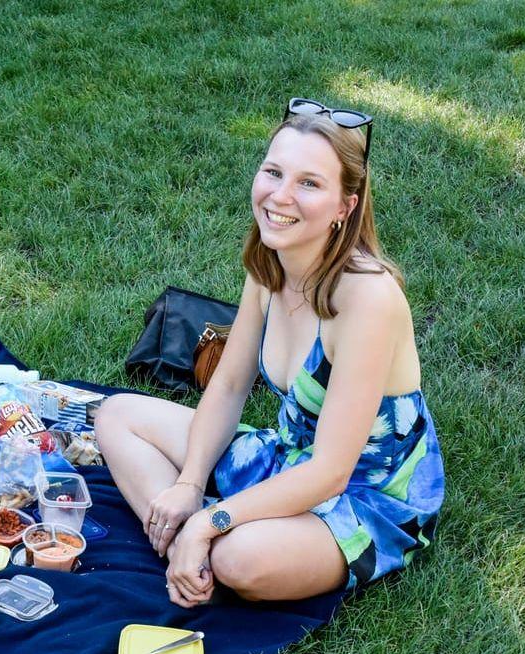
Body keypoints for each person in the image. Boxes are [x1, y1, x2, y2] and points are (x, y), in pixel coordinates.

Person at [96, 98, 445, 608]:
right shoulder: (270, 262)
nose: (280, 196)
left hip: (366, 494)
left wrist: (211, 521)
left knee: (240, 560)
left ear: (345, 206)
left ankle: (200, 542)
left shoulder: (370, 298)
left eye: (309, 183)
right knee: (116, 415)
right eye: (273, 172)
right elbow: (232, 384)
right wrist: (190, 485)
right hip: (286, 457)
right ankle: (187, 541)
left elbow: (331, 472)